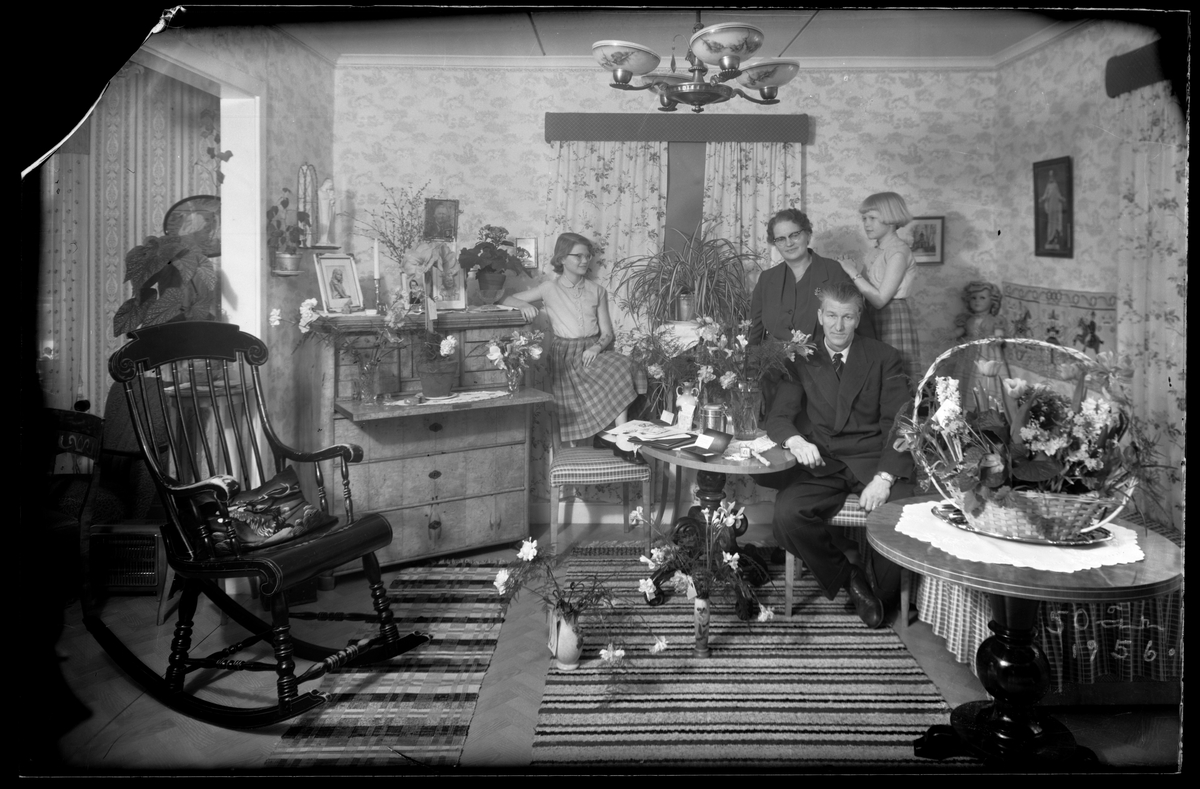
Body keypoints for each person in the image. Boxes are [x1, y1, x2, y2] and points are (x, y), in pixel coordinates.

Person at [764, 279, 914, 629]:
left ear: (858, 318)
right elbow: (779, 417)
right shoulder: (801, 357)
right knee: (786, 514)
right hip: (824, 462)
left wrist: (885, 477)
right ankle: (849, 577)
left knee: (903, 516)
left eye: (847, 317)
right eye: (831, 315)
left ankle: (880, 593)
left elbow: (901, 423)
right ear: (820, 316)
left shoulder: (884, 357)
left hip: (873, 461)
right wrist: (796, 442)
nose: (838, 325)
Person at [502, 232, 638, 445]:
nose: (585, 261)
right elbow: (505, 299)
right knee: (572, 408)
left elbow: (607, 333)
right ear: (562, 258)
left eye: (588, 256)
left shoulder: (597, 290)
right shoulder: (549, 288)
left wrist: (596, 348)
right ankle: (594, 441)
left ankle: (621, 437)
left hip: (592, 351)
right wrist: (523, 305)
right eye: (578, 256)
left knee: (623, 365)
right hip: (564, 355)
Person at [748, 208, 875, 415]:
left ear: (807, 234)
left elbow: (861, 328)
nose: (788, 243)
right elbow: (754, 336)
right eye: (781, 239)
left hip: (824, 382)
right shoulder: (767, 279)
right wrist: (752, 382)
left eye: (794, 235)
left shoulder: (834, 272)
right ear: (774, 243)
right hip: (774, 382)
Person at [840, 192, 922, 391]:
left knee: (895, 374)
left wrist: (851, 271)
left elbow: (880, 299)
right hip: (872, 316)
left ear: (891, 219)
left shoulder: (898, 251)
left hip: (892, 316)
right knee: (876, 373)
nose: (866, 224)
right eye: (864, 218)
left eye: (872, 218)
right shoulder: (876, 251)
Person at [1040, 171, 1065, 249]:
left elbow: (1058, 195)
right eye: (1050, 176)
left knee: (1056, 222)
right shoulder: (1048, 186)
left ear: (1053, 177)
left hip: (1055, 206)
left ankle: (1055, 239)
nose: (1051, 177)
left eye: (1052, 176)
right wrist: (1042, 199)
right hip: (1051, 206)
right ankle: (1050, 238)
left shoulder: (1055, 185)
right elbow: (1045, 195)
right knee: (1051, 223)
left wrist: (1062, 199)